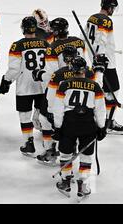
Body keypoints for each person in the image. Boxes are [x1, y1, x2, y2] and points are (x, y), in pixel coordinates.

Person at [35, 46, 106, 165]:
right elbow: (98, 87)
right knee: (83, 144)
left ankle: (51, 150)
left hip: (65, 112)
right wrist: (99, 71)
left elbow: (51, 96)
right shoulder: (88, 72)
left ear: (63, 57)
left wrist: (51, 112)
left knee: (45, 120)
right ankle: (80, 169)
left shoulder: (58, 73)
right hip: (86, 116)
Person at [52, 56, 106, 200]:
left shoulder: (64, 84)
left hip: (69, 123)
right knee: (86, 155)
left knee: (65, 153)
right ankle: (83, 184)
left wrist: (57, 127)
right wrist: (101, 126)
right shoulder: (95, 86)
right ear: (85, 70)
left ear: (72, 69)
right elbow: (100, 109)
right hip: (88, 124)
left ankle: (65, 181)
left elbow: (57, 108)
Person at [0, 16, 48, 157]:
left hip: (25, 87)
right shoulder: (45, 43)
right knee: (42, 115)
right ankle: (47, 144)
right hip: (42, 85)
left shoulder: (17, 45)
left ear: (23, 29)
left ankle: (29, 143)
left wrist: (6, 80)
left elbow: (15, 69)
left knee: (25, 116)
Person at [85, 0, 123, 135]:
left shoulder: (92, 17)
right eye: (113, 8)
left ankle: (99, 120)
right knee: (114, 90)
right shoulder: (106, 21)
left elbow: (84, 37)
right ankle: (109, 122)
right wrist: (100, 56)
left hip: (93, 60)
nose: (113, 10)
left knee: (100, 90)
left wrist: (92, 57)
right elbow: (100, 38)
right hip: (105, 62)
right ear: (109, 7)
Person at [43, 17, 86, 84]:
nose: (51, 30)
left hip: (64, 84)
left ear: (57, 31)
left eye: (53, 29)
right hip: (81, 80)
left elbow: (51, 73)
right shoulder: (79, 41)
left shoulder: (52, 48)